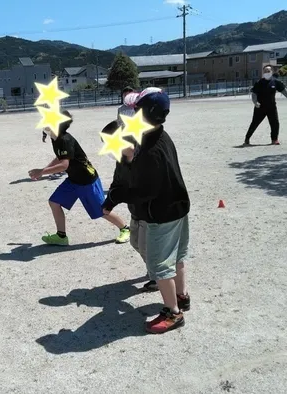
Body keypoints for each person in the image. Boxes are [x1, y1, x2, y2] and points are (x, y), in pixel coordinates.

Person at [102, 89, 191, 334]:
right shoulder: (161, 136)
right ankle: (182, 296)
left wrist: (118, 196)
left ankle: (173, 313)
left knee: (160, 265)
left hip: (161, 213)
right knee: (177, 257)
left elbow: (146, 192)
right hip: (179, 206)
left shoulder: (149, 150)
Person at [28, 110, 131, 246]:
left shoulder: (64, 140)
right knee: (54, 202)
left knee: (102, 210)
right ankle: (61, 236)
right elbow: (61, 157)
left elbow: (64, 165)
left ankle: (125, 228)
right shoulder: (56, 138)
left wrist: (42, 171)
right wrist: (44, 169)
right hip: (74, 179)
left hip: (87, 180)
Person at [101, 120, 159, 293]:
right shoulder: (121, 160)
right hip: (136, 211)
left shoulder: (144, 158)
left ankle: (158, 277)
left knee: (146, 246)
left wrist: (122, 196)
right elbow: (118, 182)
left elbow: (147, 190)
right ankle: (154, 271)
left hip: (150, 212)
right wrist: (109, 201)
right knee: (135, 242)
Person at [244, 65, 287, 146]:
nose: (267, 73)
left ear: (271, 72)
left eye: (268, 71)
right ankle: (247, 138)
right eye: (265, 71)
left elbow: (284, 90)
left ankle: (274, 139)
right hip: (260, 107)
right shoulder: (259, 83)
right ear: (263, 73)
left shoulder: (275, 82)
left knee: (275, 123)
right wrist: (255, 102)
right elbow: (254, 94)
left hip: (272, 107)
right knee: (254, 123)